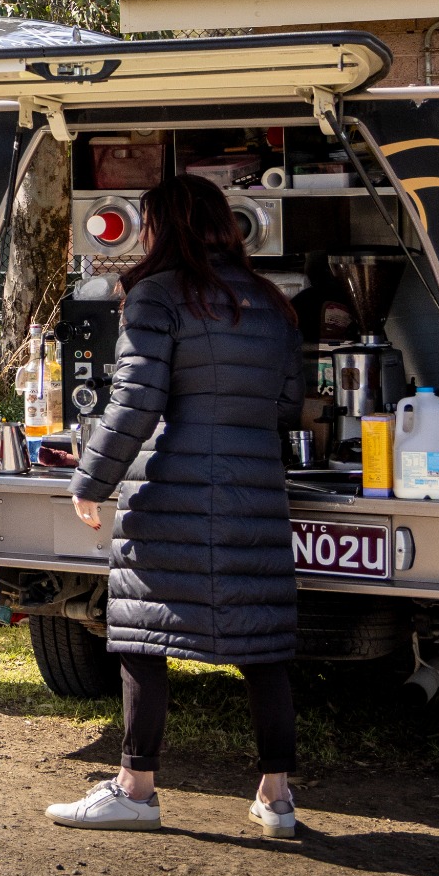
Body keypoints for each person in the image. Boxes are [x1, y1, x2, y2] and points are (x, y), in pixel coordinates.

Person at [48, 174, 304, 837]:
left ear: (162, 227)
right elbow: (285, 405)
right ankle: (277, 798)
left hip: (173, 489)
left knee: (140, 635)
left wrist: (90, 480)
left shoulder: (157, 295)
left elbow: (135, 402)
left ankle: (135, 788)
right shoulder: (274, 303)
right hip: (255, 489)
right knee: (264, 643)